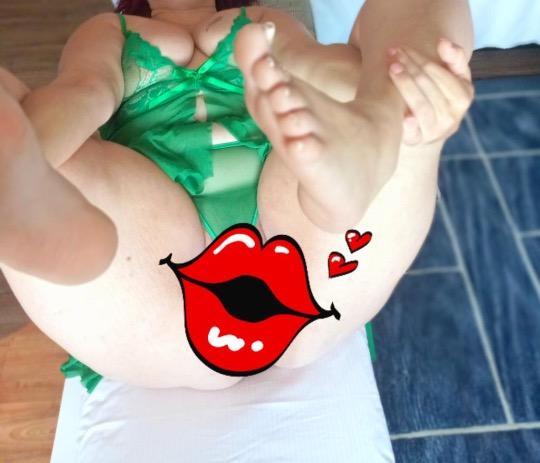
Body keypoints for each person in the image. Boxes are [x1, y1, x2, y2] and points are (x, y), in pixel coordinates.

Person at [0, 0, 473, 390]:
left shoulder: (255, 18)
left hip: (309, 249)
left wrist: (379, 91)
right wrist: (32, 160)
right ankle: (29, 193)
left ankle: (378, 124)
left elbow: (319, 67)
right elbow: (85, 94)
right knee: (15, 115)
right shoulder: (110, 29)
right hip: (153, 276)